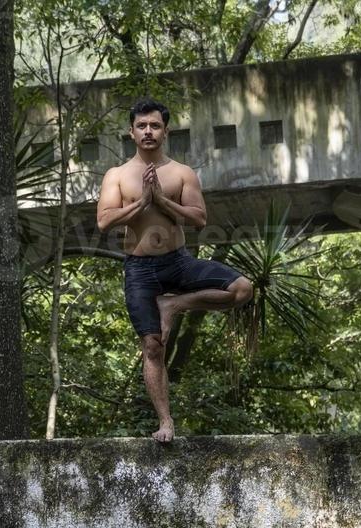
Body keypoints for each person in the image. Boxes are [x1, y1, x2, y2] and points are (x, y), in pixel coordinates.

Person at [96, 98, 253, 443]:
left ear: (165, 131)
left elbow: (199, 218)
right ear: (131, 132)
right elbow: (105, 221)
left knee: (243, 289)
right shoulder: (118, 175)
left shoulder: (182, 173)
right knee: (153, 346)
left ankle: (175, 304)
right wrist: (141, 203)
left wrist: (163, 201)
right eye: (141, 126)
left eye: (154, 126)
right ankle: (165, 421)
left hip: (177, 261)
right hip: (139, 269)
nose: (148, 131)